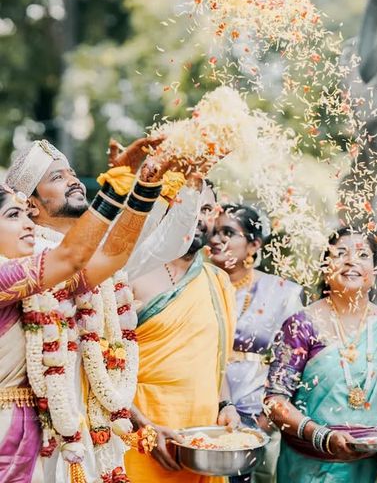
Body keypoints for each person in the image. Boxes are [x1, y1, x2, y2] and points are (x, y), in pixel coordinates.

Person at [5, 137, 187, 483]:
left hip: (93, 439)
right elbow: (81, 257)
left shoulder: (92, 266)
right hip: (36, 440)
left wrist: (134, 416)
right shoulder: (26, 263)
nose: (73, 180)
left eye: (72, 173)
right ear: (30, 205)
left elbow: (90, 365)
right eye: (57, 177)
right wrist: (132, 187)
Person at [262, 227, 377, 483]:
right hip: (310, 470)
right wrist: (321, 436)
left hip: (376, 470)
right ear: (326, 266)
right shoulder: (301, 325)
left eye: (362, 255)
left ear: (374, 272)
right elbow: (274, 401)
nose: (351, 260)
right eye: (341, 253)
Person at [124, 182, 237, 483]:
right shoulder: (129, 274)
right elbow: (100, 369)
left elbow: (217, 359)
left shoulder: (217, 281)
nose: (198, 218)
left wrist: (226, 405)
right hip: (138, 438)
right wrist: (142, 425)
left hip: (201, 441)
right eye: (187, 206)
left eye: (207, 210)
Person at [209, 204, 302, 483]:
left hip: (257, 413)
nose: (216, 239)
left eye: (227, 232)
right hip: (201, 407)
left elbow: (293, 361)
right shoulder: (197, 284)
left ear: (254, 244)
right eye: (213, 232)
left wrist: (267, 420)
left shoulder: (281, 291)